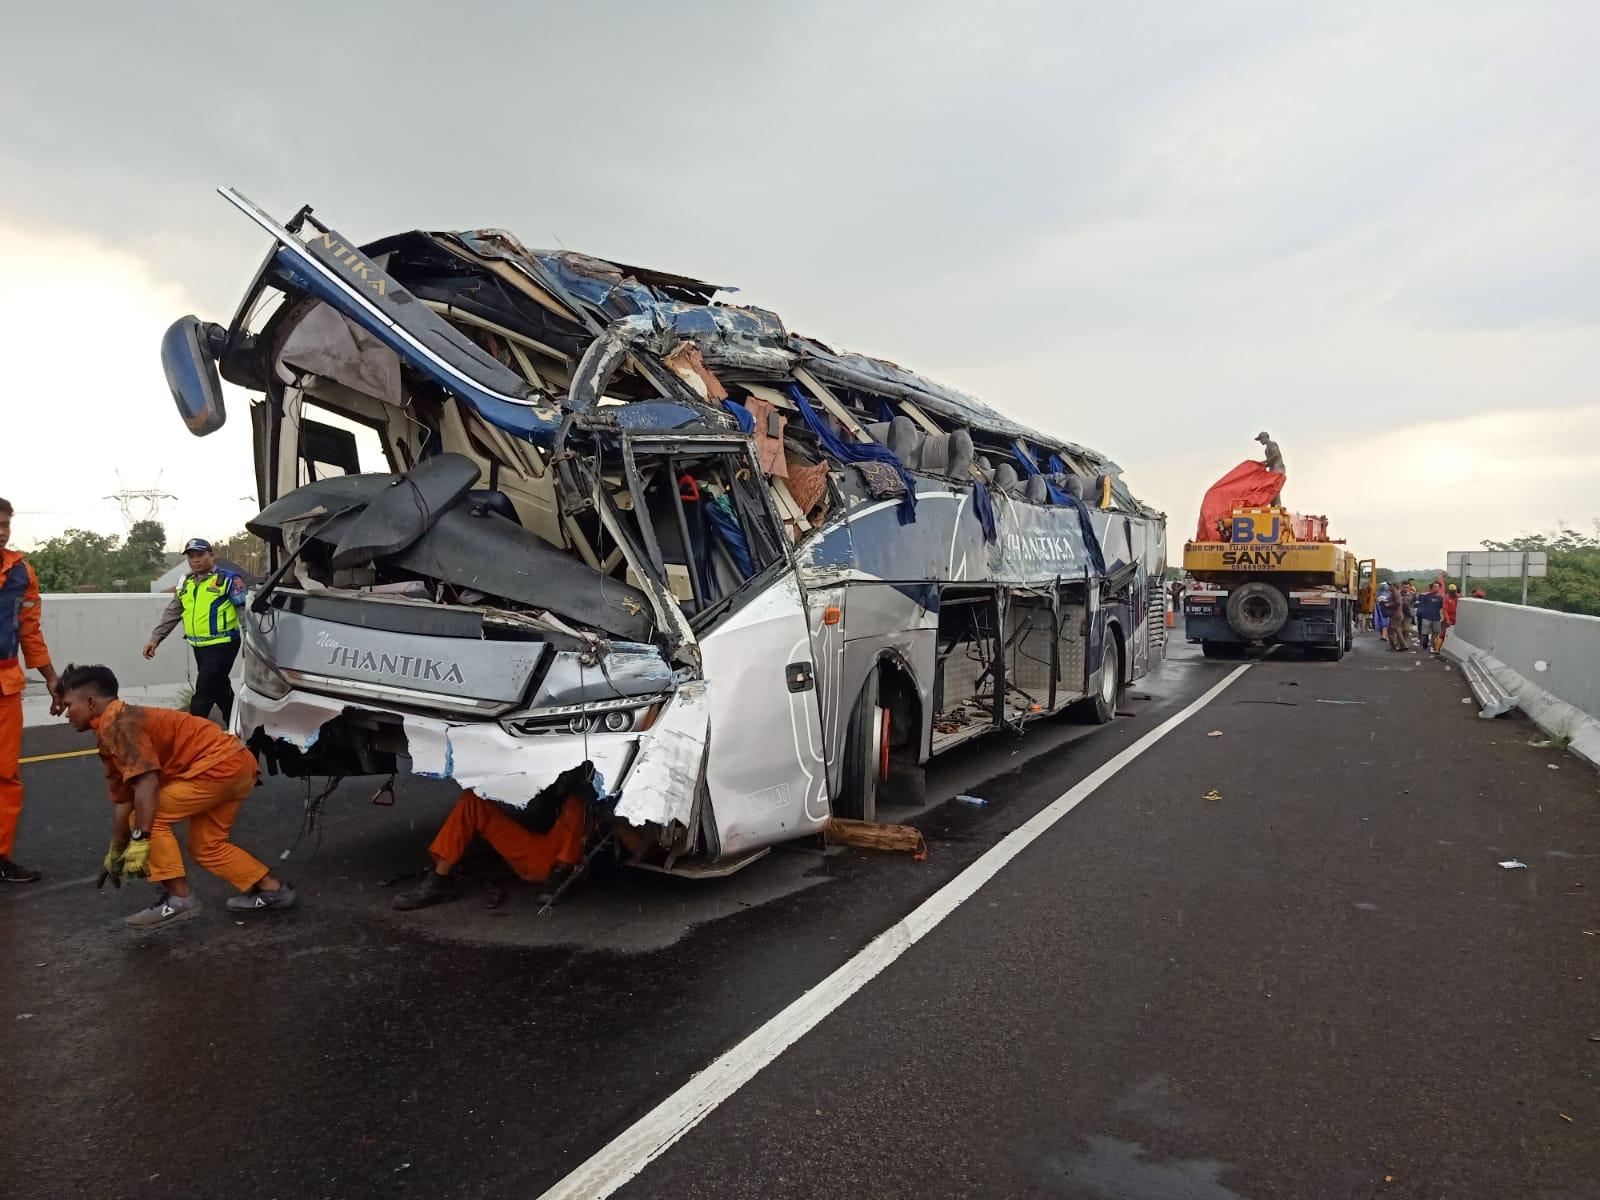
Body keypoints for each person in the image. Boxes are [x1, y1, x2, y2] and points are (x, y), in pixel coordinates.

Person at [56, 663, 295, 928]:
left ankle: (179, 897)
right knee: (206, 846)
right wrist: (117, 847)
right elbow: (124, 797)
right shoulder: (113, 730)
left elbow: (146, 785)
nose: (65, 714)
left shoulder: (120, 725)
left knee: (149, 818)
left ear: (90, 702)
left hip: (217, 766)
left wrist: (140, 838)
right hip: (235, 765)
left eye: (68, 705)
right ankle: (273, 890)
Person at [394, 774, 594, 911]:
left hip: (555, 858)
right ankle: (439, 880)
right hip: (531, 850)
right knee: (473, 800)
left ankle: (561, 873)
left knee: (582, 796)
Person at [0, 498, 62, 882]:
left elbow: (30, 632)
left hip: (5, 684)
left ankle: (0, 856)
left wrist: (52, 678)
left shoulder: (22, 571)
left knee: (5, 775)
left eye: (5, 524)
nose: (1, 532)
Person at [142, 538, 246, 725]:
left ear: (211, 556)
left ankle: (192, 733)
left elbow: (244, 613)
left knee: (203, 695)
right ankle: (239, 726)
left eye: (200, 555)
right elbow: (173, 612)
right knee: (220, 689)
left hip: (223, 644)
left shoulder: (228, 579)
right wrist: (155, 639)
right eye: (191, 556)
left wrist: (250, 642)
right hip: (199, 646)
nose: (195, 560)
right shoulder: (186, 583)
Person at [1254, 431, 1286, 502]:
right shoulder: (1266, 450)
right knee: (1270, 487)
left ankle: (1277, 504)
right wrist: (1262, 465)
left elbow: (1276, 454)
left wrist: (1264, 461)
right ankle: (1273, 504)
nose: (1260, 441)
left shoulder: (1272, 444)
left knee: (1275, 486)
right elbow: (1270, 462)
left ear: (1265, 437)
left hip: (1278, 468)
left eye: (1260, 439)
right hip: (1272, 469)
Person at [1416, 581, 1446, 654]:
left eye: (1437, 587)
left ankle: (1431, 646)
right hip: (1426, 616)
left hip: (1436, 617)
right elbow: (1422, 605)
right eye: (1434, 587)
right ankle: (1421, 645)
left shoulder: (1441, 598)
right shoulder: (1426, 596)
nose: (1435, 588)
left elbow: (1441, 607)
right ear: (1432, 588)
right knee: (1424, 632)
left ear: (1439, 588)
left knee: (1435, 632)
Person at [1381, 583, 1406, 650]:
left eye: (1390, 585)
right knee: (1397, 630)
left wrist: (1389, 604)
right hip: (1397, 614)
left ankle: (1394, 646)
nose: (1389, 587)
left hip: (1396, 614)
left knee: (1391, 630)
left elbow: (1398, 603)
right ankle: (1403, 645)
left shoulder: (1396, 593)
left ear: (1394, 586)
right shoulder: (1394, 593)